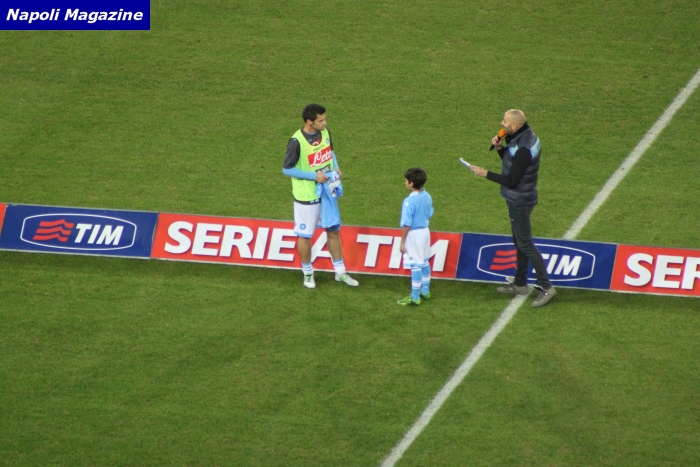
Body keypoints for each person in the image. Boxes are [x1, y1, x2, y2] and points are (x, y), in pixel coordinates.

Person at [469, 109, 557, 307]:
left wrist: (485, 173)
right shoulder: (523, 138)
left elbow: (511, 179)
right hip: (520, 197)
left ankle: (546, 287)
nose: (502, 124)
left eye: (505, 121)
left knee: (525, 243)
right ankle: (520, 283)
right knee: (519, 241)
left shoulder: (524, 147)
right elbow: (514, 164)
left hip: (520, 200)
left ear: (515, 125)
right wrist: (500, 148)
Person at [282, 103, 359, 289]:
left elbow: (329, 152)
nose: (325, 123)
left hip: (327, 191)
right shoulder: (296, 141)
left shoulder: (325, 132)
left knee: (333, 231)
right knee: (305, 236)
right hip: (306, 196)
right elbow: (286, 169)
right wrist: (314, 176)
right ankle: (308, 273)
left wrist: (336, 167)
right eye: (321, 120)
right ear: (309, 122)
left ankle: (340, 272)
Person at [397, 168, 434, 306]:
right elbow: (429, 214)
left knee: (415, 265)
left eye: (406, 181)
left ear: (411, 183)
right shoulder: (427, 196)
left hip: (414, 235)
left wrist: (402, 242)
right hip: (425, 232)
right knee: (424, 261)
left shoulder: (409, 202)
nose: (405, 182)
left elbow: (406, 224)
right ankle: (425, 290)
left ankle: (415, 297)